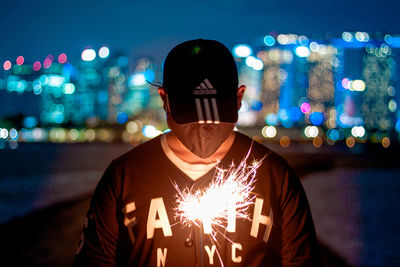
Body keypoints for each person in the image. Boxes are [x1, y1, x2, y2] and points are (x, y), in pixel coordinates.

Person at [74, 39, 320, 266]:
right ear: (164, 99)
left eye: (214, 118)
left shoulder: (275, 175)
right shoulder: (124, 175)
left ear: (239, 98)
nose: (203, 130)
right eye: (191, 118)